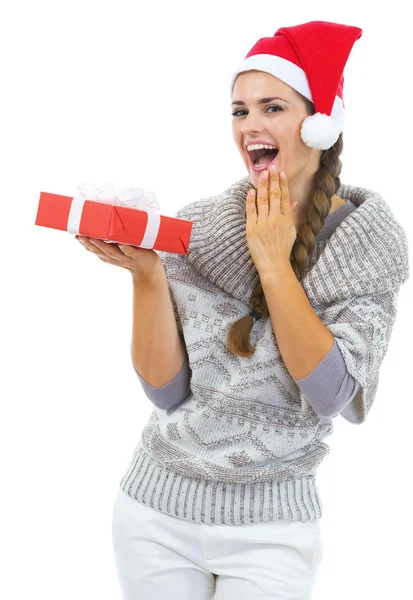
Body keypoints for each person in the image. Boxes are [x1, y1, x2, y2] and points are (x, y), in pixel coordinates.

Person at [77, 20, 409, 600]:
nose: (250, 125)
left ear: (318, 124)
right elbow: (166, 394)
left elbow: (333, 394)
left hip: (272, 532)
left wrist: (276, 266)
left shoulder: (367, 245)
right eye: (239, 111)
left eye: (272, 107)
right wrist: (148, 275)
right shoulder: (202, 227)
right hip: (154, 512)